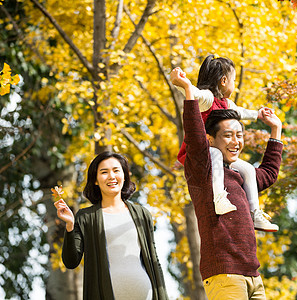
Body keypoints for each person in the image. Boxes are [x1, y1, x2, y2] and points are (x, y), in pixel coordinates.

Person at [179, 80, 283, 299]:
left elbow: (269, 173)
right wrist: (189, 93)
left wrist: (276, 129)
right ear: (211, 139)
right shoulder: (202, 172)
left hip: (253, 275)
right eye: (228, 135)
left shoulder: (240, 175)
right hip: (224, 274)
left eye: (239, 135)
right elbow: (195, 137)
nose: (235, 141)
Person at [171, 54, 278, 232]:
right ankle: (219, 196)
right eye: (233, 80)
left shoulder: (227, 103)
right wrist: (184, 84)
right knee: (217, 153)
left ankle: (255, 213)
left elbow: (241, 111)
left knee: (249, 169)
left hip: (218, 155)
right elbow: (195, 94)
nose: (234, 85)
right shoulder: (208, 99)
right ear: (223, 80)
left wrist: (258, 114)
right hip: (203, 152)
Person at [54, 151, 168, 300]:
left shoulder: (142, 213)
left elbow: (154, 260)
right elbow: (70, 261)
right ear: (95, 180)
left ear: (125, 175)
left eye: (116, 170)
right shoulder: (86, 217)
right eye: (104, 172)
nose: (111, 176)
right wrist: (70, 225)